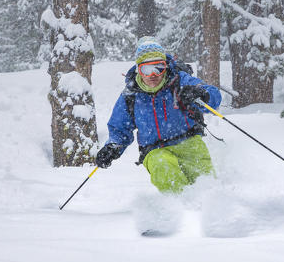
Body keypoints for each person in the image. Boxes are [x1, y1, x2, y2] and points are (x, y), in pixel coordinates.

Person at [95, 37, 222, 194]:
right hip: (155, 150)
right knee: (164, 167)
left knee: (207, 189)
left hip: (190, 142)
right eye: (146, 69)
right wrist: (113, 147)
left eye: (159, 68)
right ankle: (179, 209)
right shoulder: (131, 96)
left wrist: (202, 95)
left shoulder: (180, 81)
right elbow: (120, 129)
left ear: (165, 66)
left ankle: (209, 213)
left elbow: (214, 95)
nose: (153, 75)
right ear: (138, 70)